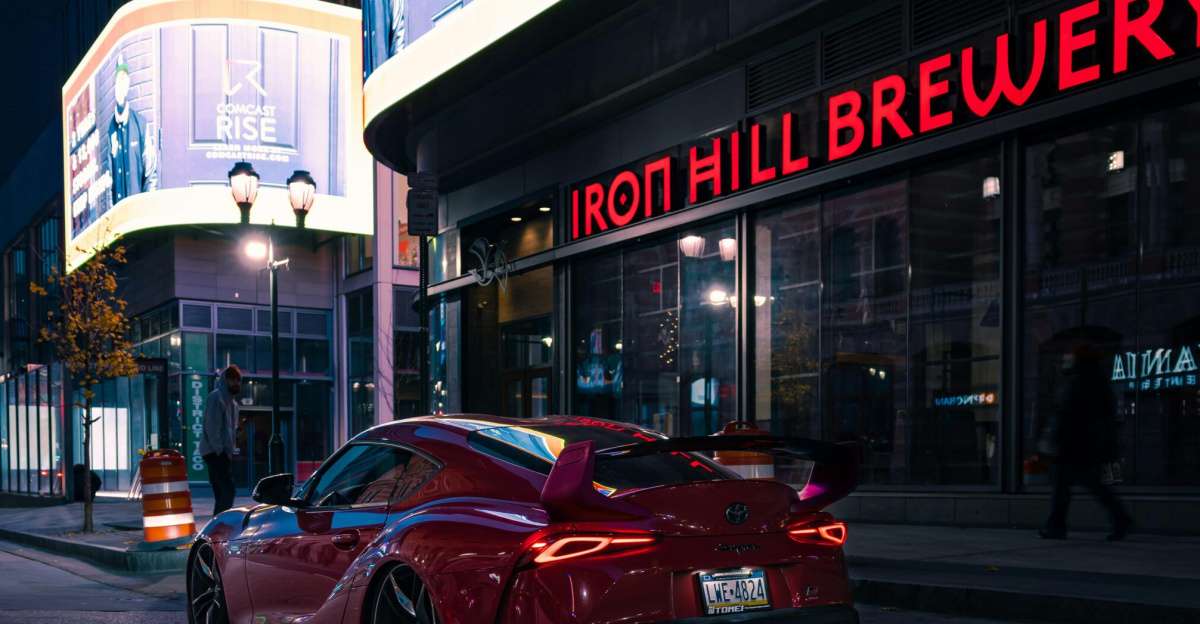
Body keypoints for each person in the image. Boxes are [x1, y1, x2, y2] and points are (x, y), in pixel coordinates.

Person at [1038, 344, 1133, 541]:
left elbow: (1064, 414)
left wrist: (1053, 441)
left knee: (1062, 487)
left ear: (1076, 359)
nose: (1064, 359)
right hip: (1089, 445)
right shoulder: (1098, 380)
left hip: (1070, 445)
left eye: (1068, 357)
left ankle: (1056, 528)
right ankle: (1121, 518)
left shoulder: (1075, 381)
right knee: (1094, 485)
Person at [108, 53, 156, 206]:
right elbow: (109, 182)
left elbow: (150, 173)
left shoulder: (140, 124)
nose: (121, 84)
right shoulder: (111, 130)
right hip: (120, 214)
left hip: (138, 211)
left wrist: (148, 209)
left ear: (128, 83)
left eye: (124, 78)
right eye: (118, 79)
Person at [201, 365, 243, 515]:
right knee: (228, 491)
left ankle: (217, 523)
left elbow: (228, 432)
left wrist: (240, 429)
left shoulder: (234, 405)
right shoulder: (216, 397)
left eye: (238, 380)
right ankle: (220, 524)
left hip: (221, 452)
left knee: (221, 493)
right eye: (232, 380)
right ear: (225, 380)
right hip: (215, 452)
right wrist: (220, 450)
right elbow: (212, 427)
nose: (236, 383)